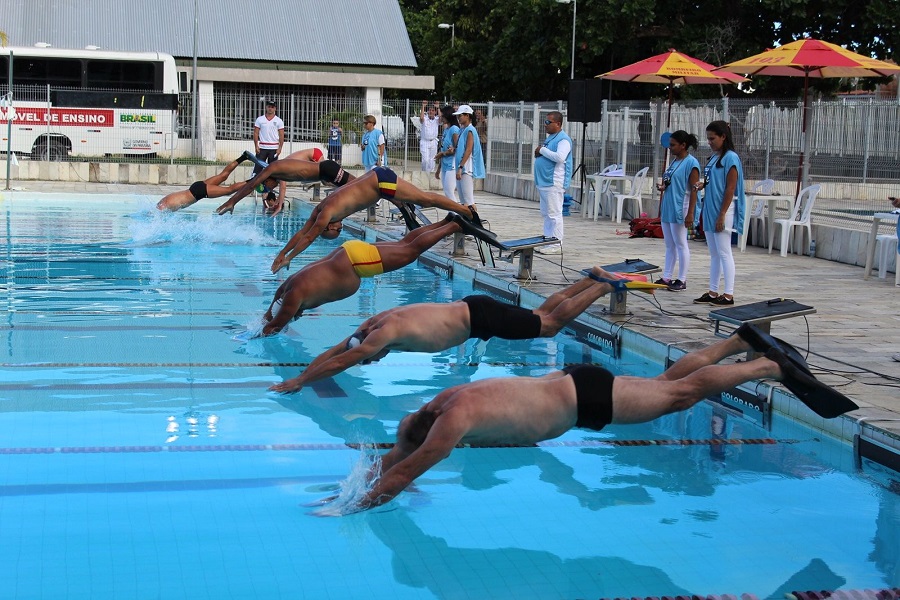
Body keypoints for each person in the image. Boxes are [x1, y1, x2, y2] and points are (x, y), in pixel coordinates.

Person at [319, 322, 856, 513]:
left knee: (680, 397)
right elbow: (396, 456)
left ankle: (768, 364)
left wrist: (354, 508)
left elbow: (404, 471)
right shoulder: (441, 403)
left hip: (583, 401)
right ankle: (738, 341)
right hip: (574, 385)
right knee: (668, 385)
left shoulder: (448, 427)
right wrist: (356, 481)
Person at [269, 266, 627, 392]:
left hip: (479, 318)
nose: (373, 362)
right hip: (473, 308)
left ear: (371, 349)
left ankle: (604, 286)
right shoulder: (373, 323)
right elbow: (337, 350)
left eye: (370, 360)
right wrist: (304, 372)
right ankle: (590, 279)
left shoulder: (380, 335)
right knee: (542, 312)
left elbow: (340, 361)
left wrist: (300, 381)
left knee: (549, 326)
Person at [259, 216, 463, 336]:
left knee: (410, 252)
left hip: (354, 263)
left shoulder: (293, 297)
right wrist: (267, 315)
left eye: (294, 314)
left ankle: (454, 226)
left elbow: (275, 326)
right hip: (348, 252)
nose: (297, 315)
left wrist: (257, 337)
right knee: (404, 245)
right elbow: (273, 311)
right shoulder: (287, 286)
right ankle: (446, 221)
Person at [269, 167, 479, 273]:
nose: (340, 228)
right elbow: (302, 233)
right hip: (377, 180)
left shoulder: (326, 214)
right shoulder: (320, 209)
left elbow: (308, 238)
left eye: (336, 231)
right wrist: (282, 252)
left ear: (329, 226)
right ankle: (461, 213)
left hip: (380, 182)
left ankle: (467, 211)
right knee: (423, 200)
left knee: (425, 199)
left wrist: (290, 258)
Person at [692, 120, 745, 306]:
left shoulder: (731, 158)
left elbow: (730, 188)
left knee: (724, 252)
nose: (710, 142)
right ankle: (713, 291)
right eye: (708, 139)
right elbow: (711, 179)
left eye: (713, 138)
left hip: (723, 210)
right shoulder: (715, 157)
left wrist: (722, 214)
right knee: (714, 253)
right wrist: (702, 184)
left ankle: (728, 294)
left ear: (723, 137)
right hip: (710, 208)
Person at [214, 153, 349, 216]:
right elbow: (252, 184)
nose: (271, 188)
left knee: (358, 187)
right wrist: (279, 205)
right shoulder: (279, 174)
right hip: (325, 174)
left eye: (267, 187)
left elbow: (252, 184)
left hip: (327, 170)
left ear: (267, 179)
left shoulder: (274, 168)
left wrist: (232, 201)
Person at [655, 131, 701, 292]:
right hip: (668, 206)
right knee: (670, 244)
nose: (670, 148)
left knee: (681, 243)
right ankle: (667, 276)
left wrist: (690, 213)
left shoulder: (691, 163)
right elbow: (671, 182)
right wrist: (662, 187)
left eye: (673, 145)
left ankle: (682, 279)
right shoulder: (674, 162)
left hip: (680, 207)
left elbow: (694, 189)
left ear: (683, 145)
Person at [532, 110, 572, 255]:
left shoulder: (563, 140)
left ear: (558, 123)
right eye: (545, 121)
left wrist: (542, 150)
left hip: (554, 182)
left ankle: (556, 243)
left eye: (549, 122)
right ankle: (548, 240)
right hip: (544, 182)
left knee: (554, 214)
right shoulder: (551, 138)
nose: (545, 125)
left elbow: (560, 157)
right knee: (547, 213)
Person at [156, 153, 253, 212]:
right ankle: (244, 157)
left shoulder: (162, 208)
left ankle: (255, 180)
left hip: (198, 193)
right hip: (195, 187)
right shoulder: (163, 201)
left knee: (229, 190)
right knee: (223, 176)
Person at [453, 105, 486, 216]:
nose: (459, 118)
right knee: (463, 201)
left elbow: (468, 150)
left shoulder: (470, 130)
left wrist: (461, 167)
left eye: (461, 115)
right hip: (461, 167)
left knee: (469, 201)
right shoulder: (463, 129)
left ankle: (475, 224)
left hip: (466, 168)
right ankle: (465, 223)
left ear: (467, 115)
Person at [433, 105, 460, 203]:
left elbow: (457, 148)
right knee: (447, 193)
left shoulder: (454, 129)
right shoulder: (446, 130)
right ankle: (452, 214)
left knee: (449, 192)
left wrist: (443, 154)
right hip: (445, 165)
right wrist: (438, 169)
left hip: (452, 166)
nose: (441, 118)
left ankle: (457, 214)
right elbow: (443, 149)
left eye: (443, 116)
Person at [253, 100, 284, 175]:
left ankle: (268, 186)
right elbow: (256, 133)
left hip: (273, 149)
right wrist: (256, 146)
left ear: (275, 108)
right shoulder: (260, 119)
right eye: (269, 107)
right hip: (262, 148)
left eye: (272, 107)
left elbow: (281, 135)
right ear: (266, 107)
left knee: (272, 170)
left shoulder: (279, 121)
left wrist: (280, 148)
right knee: (257, 168)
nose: (270, 109)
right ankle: (254, 185)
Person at [419, 102, 439, 172]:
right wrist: (423, 106)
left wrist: (438, 107)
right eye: (430, 110)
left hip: (433, 141)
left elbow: (441, 118)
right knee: (425, 160)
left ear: (435, 112)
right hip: (425, 142)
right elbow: (421, 118)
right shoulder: (425, 119)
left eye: (433, 110)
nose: (431, 112)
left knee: (432, 160)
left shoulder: (437, 119)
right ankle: (425, 173)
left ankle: (431, 174)